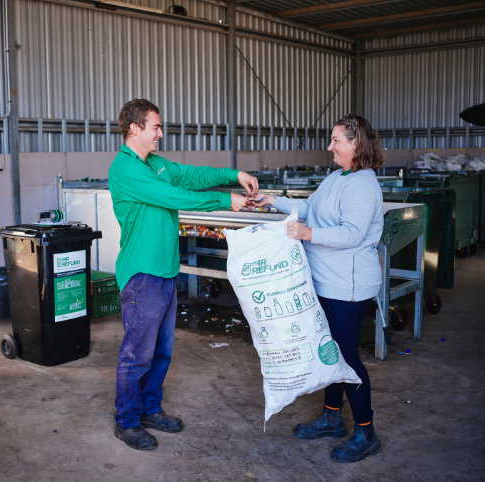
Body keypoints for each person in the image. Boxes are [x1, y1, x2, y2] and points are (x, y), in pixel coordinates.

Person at [109, 99, 258, 451]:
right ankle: (127, 420)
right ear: (135, 128)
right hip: (142, 275)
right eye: (155, 127)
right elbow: (173, 195)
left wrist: (232, 175)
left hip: (165, 271)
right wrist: (226, 201)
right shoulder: (125, 169)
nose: (161, 133)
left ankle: (150, 409)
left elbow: (192, 176)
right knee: (137, 354)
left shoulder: (156, 164)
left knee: (161, 351)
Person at [252, 114, 385, 463]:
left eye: (336, 140)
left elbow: (352, 234)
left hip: (349, 286)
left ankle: (366, 431)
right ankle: (331, 417)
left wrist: (308, 234)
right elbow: (311, 208)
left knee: (345, 356)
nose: (330, 146)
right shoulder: (338, 176)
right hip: (326, 280)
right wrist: (274, 201)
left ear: (356, 144)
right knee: (329, 351)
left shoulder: (363, 184)